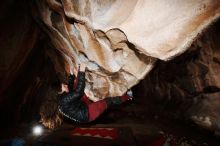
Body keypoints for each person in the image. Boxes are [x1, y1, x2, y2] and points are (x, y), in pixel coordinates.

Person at [57, 63, 133, 123]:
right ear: (60, 91)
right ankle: (129, 96)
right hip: (88, 114)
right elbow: (78, 91)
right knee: (108, 101)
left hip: (81, 105)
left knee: (75, 84)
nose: (65, 85)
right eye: (63, 86)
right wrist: (82, 71)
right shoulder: (63, 100)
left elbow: (71, 86)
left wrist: (72, 74)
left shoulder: (61, 96)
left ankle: (79, 74)